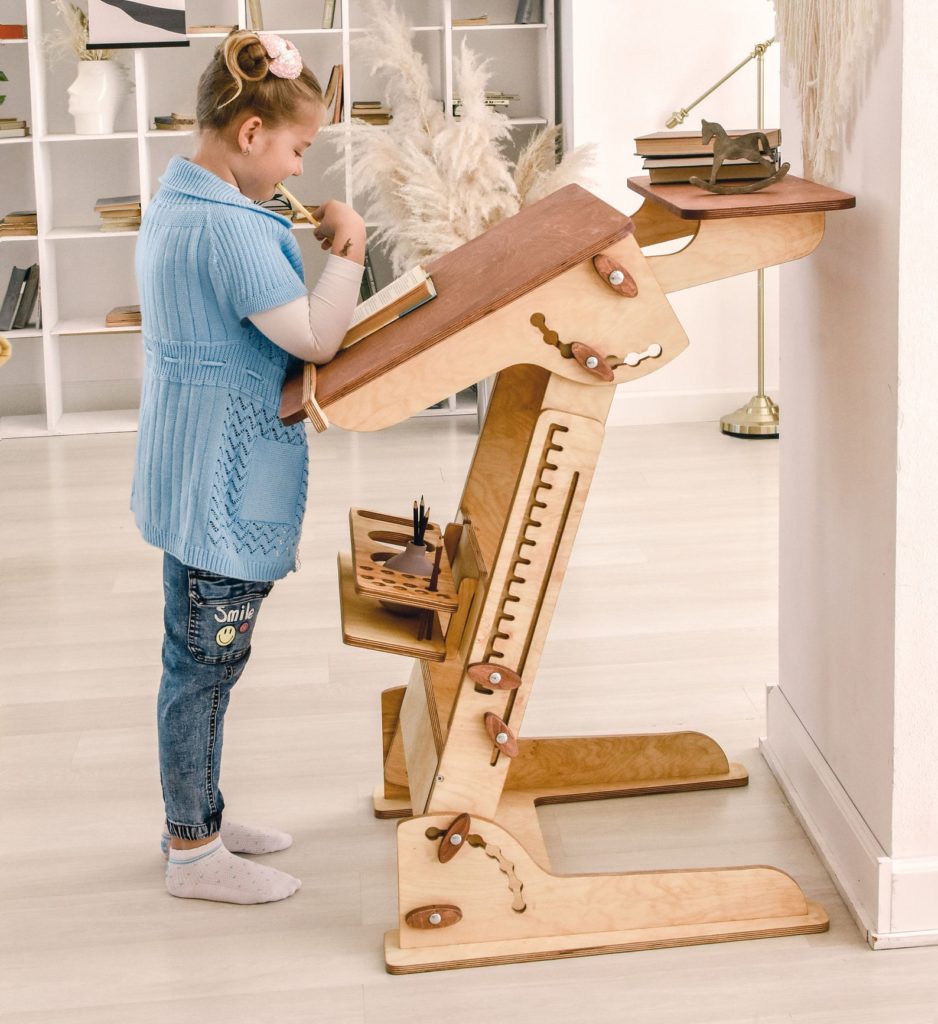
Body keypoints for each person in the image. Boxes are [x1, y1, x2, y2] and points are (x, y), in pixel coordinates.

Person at [132, 30, 365, 904]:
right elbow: (311, 338)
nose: (299, 171)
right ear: (252, 133)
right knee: (204, 668)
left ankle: (201, 817)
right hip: (219, 490)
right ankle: (193, 852)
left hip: (196, 476)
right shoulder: (227, 229)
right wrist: (347, 248)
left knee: (201, 662)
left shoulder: (182, 203)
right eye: (299, 150)